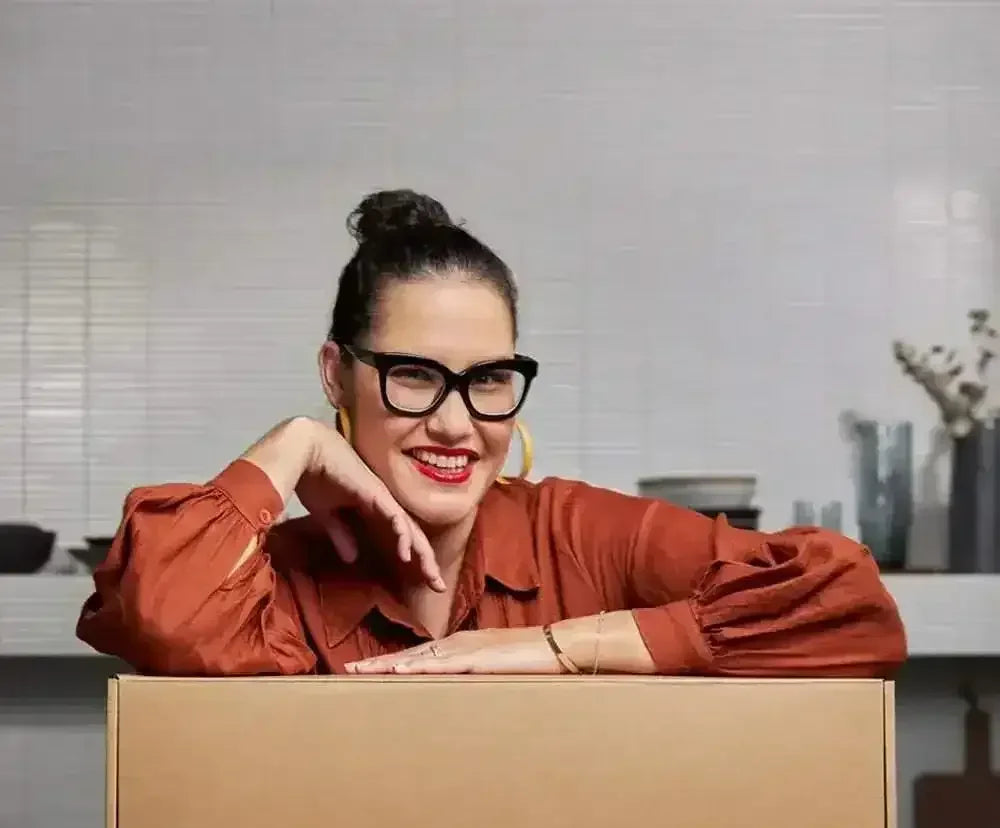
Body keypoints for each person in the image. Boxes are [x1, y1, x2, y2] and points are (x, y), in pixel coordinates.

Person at [77, 189, 907, 678]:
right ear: (337, 374)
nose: (455, 421)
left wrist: (557, 648)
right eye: (412, 375)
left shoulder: (582, 536)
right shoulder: (283, 579)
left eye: (487, 381)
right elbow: (158, 619)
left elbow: (851, 610)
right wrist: (292, 444)